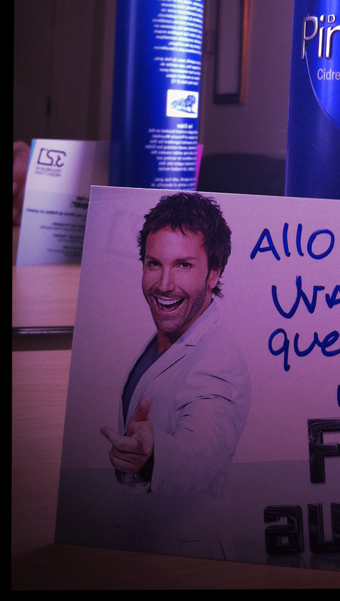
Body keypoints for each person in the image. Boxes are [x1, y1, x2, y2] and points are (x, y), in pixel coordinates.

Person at [100, 192, 250, 559]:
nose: (164, 284)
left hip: (188, 561)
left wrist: (152, 456)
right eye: (154, 264)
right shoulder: (165, 338)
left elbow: (198, 453)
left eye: (183, 265)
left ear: (214, 273)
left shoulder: (219, 362)